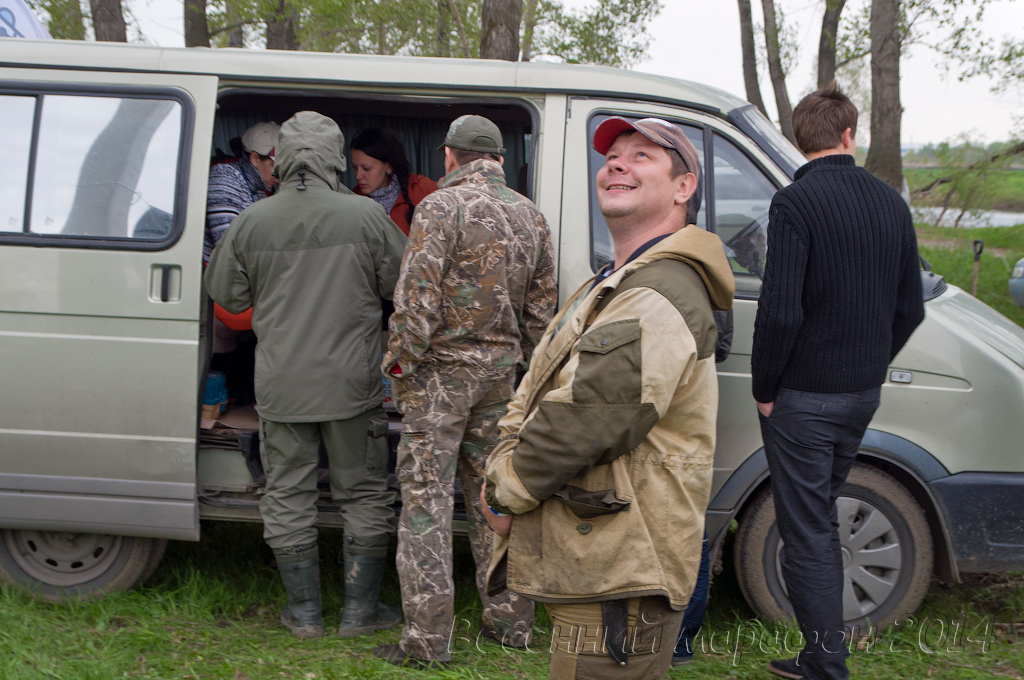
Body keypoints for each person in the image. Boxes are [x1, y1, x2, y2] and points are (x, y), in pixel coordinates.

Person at [482, 116, 735, 680]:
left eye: (642, 155)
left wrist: (505, 490)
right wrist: (505, 455)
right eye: (613, 154)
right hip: (602, 554)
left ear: (684, 187)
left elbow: (584, 419)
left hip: (623, 569)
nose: (617, 162)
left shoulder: (659, 293)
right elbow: (538, 386)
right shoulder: (611, 282)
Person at [204, 111, 408, 640]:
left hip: (282, 387)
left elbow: (227, 296)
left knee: (287, 494)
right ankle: (360, 613)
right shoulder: (366, 216)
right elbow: (403, 285)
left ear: (284, 157)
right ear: (333, 158)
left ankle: (304, 614)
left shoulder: (253, 219)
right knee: (363, 494)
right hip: (351, 386)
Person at [750, 82, 924, 680]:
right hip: (861, 394)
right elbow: (910, 309)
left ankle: (825, 664)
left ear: (801, 139)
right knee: (819, 516)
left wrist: (765, 388)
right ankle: (818, 656)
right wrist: (870, 364)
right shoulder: (892, 204)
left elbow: (779, 313)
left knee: (807, 530)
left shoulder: (794, 203)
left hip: (802, 399)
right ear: (850, 134)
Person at [374, 114, 557, 668]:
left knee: (426, 504)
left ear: (450, 156)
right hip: (501, 378)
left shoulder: (438, 208)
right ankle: (512, 623)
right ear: (498, 158)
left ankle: (427, 640)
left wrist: (399, 367)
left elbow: (416, 302)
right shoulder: (531, 215)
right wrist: (528, 378)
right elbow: (541, 312)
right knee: (495, 498)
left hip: (439, 379)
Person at [204, 121, 280, 262]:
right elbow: (228, 245)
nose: (280, 175)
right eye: (275, 166)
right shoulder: (223, 178)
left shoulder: (259, 191)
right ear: (255, 159)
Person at [351, 127, 438, 235]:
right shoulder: (352, 200)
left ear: (389, 166)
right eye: (354, 167)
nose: (358, 176)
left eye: (366, 168)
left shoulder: (424, 190)